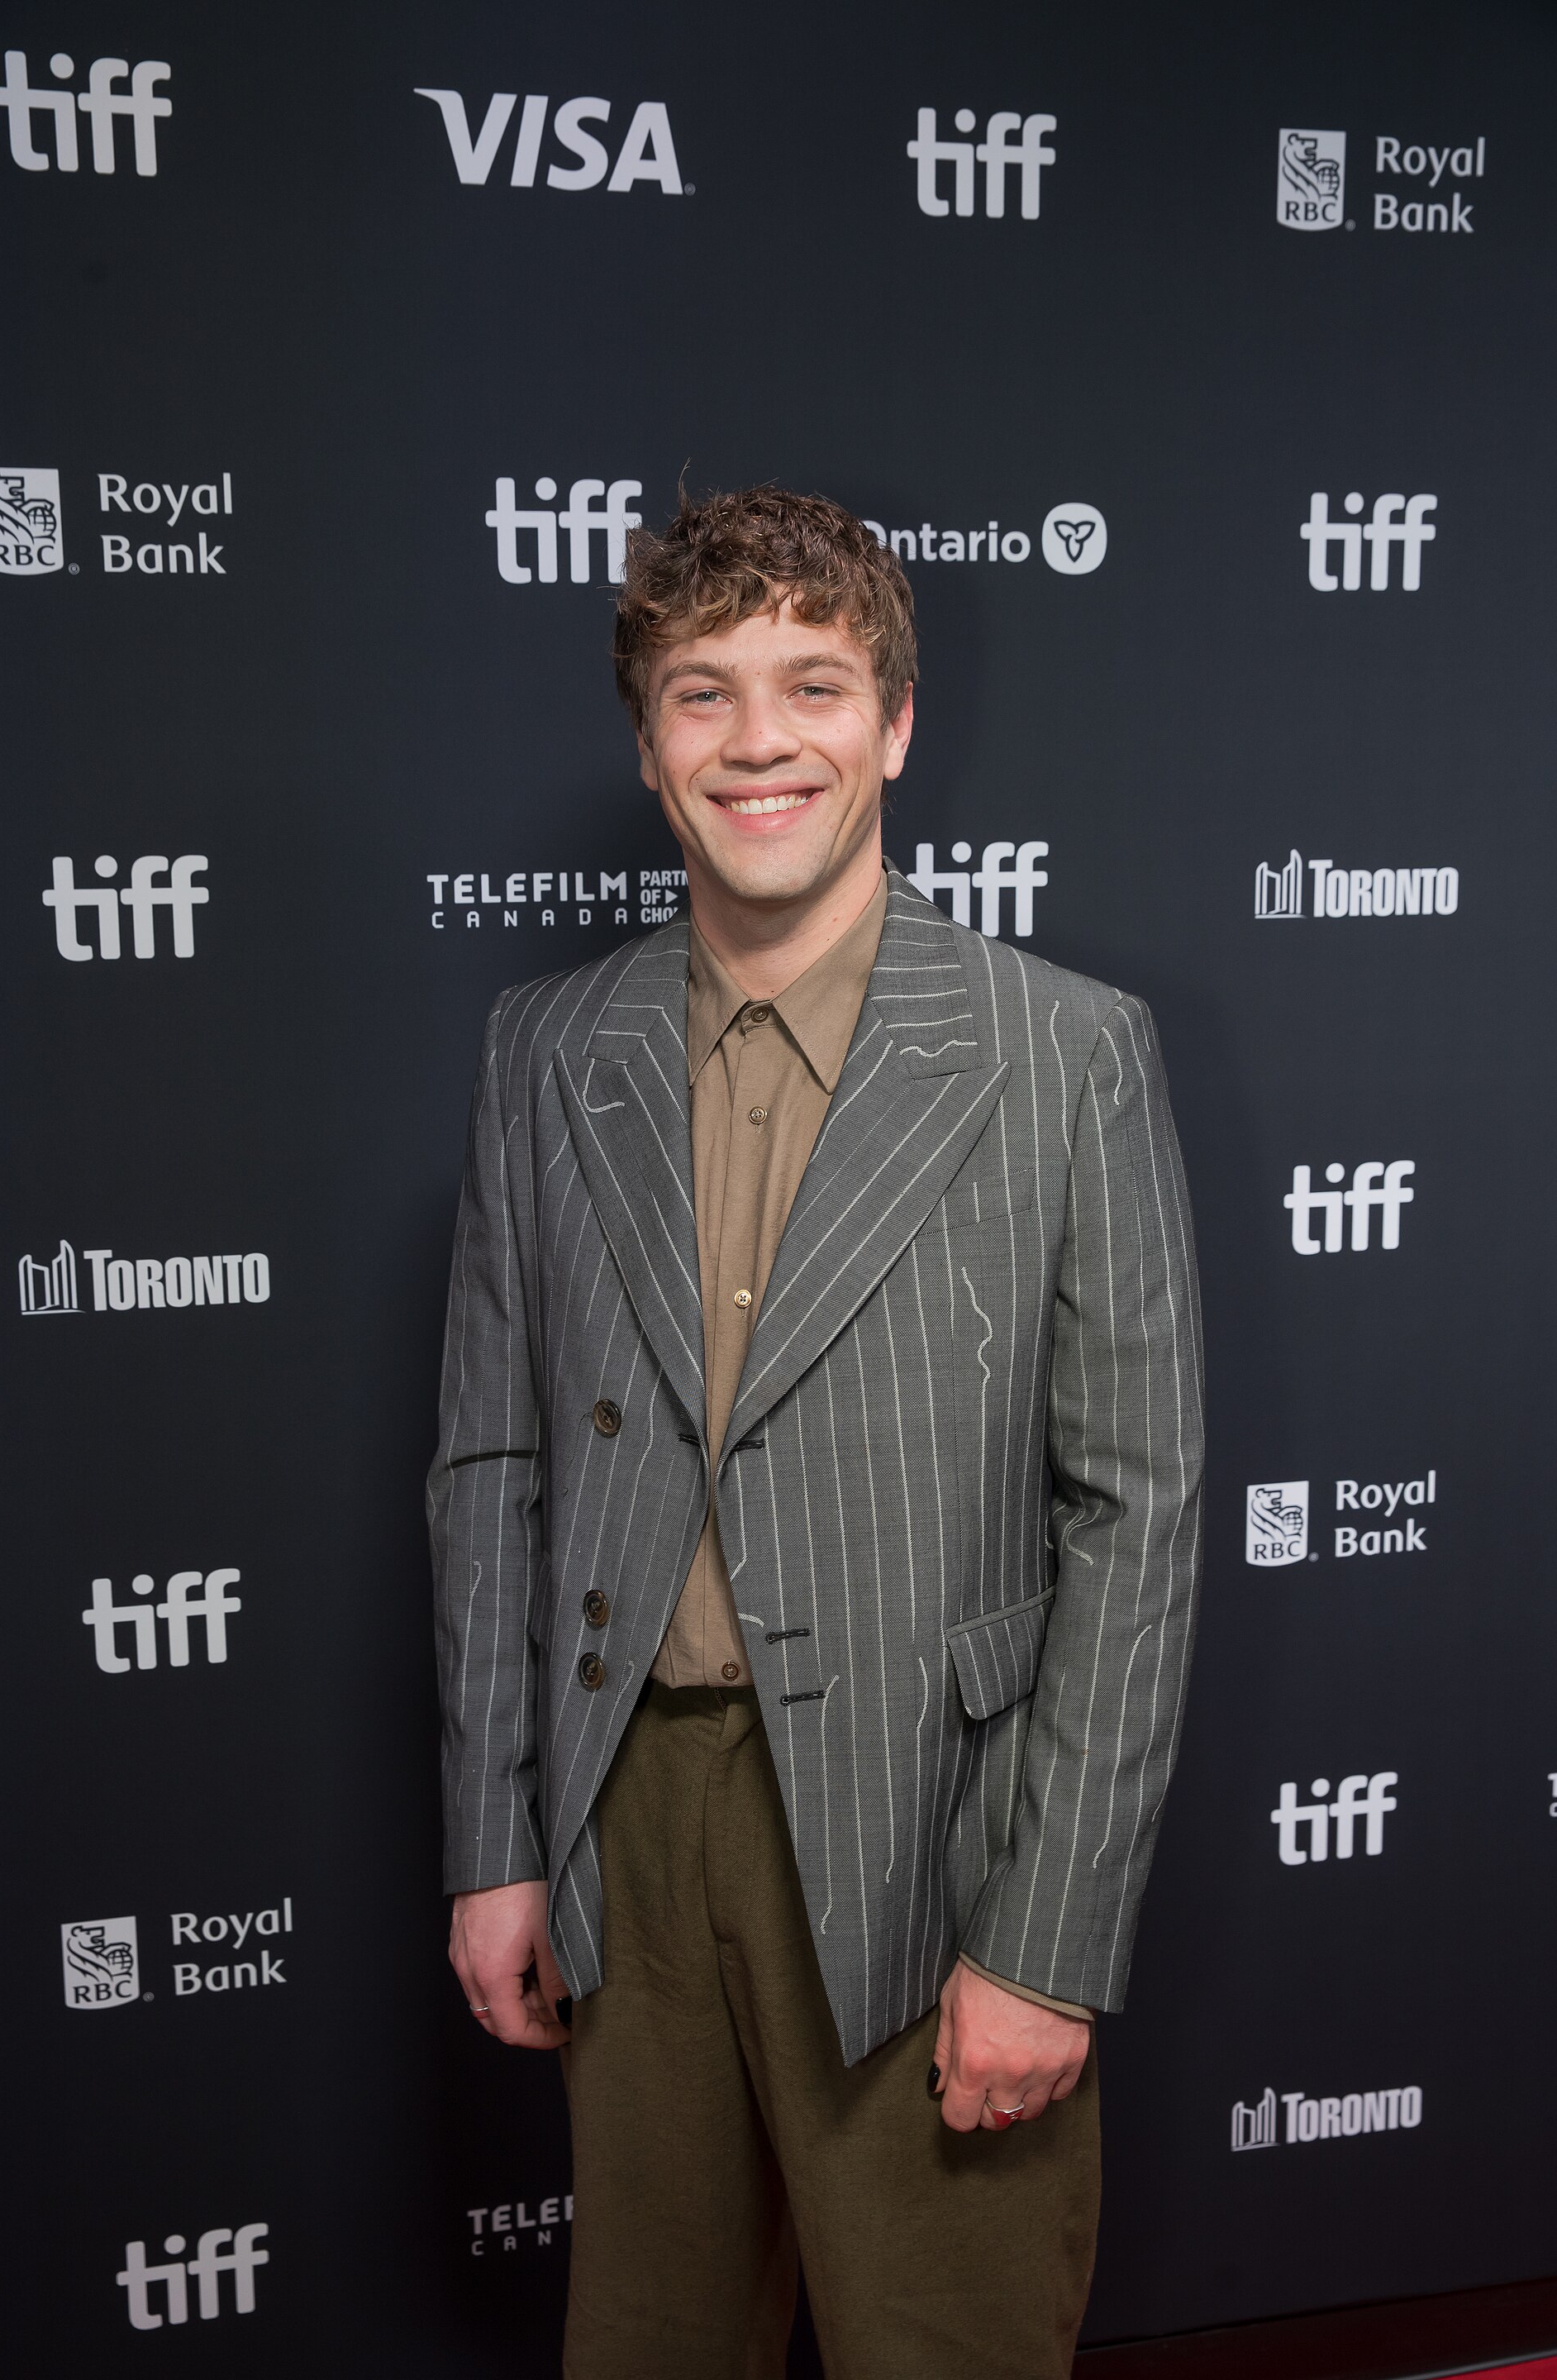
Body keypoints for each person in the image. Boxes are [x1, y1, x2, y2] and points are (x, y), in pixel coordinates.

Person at [429, 486, 1204, 2378]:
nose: (759, 739)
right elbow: (493, 1467)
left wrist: (1047, 1942)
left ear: (898, 724)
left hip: (930, 1845)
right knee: (649, 2347)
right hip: (632, 1829)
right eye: (704, 694)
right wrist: (494, 1835)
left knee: (942, 2347)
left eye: (814, 683)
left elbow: (1138, 1514)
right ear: (646, 744)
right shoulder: (546, 1047)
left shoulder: (1063, 1049)